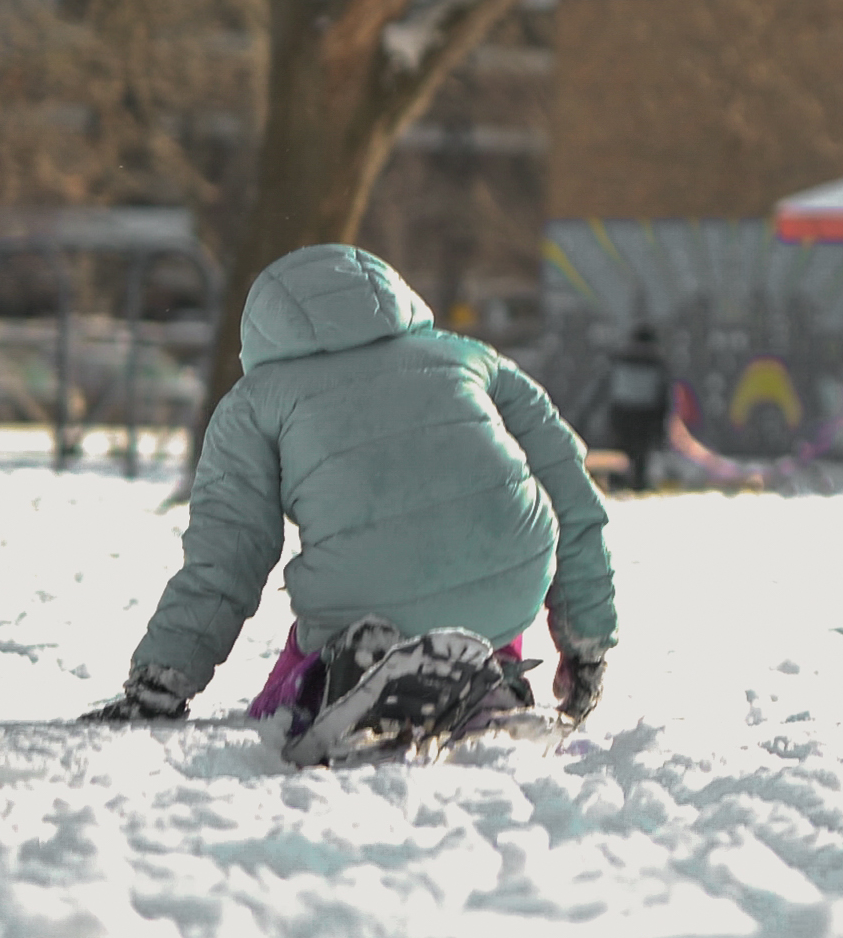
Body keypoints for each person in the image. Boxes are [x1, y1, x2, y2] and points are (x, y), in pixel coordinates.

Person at [81, 243, 618, 747]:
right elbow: (570, 494)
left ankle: (331, 682)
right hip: (508, 572)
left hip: (360, 594)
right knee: (478, 600)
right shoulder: (469, 358)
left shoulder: (255, 401)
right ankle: (487, 675)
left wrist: (162, 683)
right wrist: (585, 645)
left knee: (275, 713)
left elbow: (227, 554)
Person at [602, 323, 671, 491]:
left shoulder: (620, 359)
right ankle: (639, 484)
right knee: (641, 454)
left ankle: (615, 483)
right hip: (646, 416)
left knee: (619, 450)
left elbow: (608, 389)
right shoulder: (657, 362)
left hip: (622, 413)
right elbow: (662, 395)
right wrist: (661, 424)